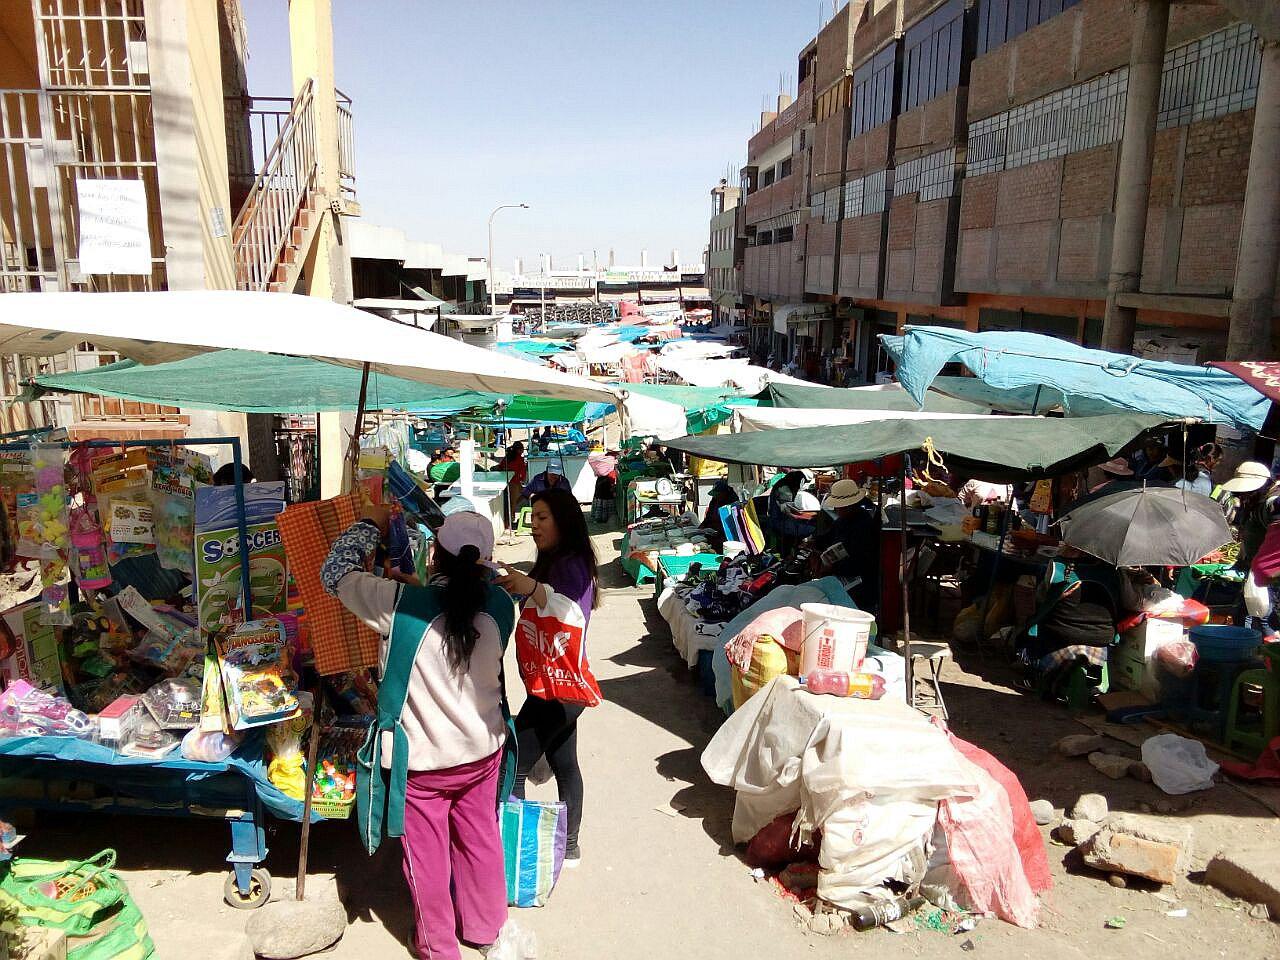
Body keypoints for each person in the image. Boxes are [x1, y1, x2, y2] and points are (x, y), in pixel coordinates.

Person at [321, 509, 516, 960]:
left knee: (427, 859)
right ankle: (486, 929)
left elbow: (335, 572)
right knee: (480, 840)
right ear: (485, 562)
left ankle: (438, 946)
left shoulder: (398, 606)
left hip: (424, 765)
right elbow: (453, 608)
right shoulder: (503, 606)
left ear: (435, 556)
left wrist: (369, 524)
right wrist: (413, 591)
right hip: (483, 751)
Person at [495, 487, 600, 867]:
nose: (534, 525)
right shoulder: (553, 560)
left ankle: (517, 852)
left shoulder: (572, 563)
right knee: (564, 762)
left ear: (563, 521)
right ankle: (569, 848)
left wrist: (533, 588)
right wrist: (516, 582)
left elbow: (567, 609)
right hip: (554, 683)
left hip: (560, 687)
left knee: (514, 762)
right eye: (532, 518)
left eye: (542, 518)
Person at [810, 479, 880, 610]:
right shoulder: (842, 521)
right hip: (843, 575)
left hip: (860, 585)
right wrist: (812, 544)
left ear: (849, 506)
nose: (836, 509)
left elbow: (862, 562)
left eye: (839, 506)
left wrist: (832, 568)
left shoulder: (864, 525)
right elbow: (825, 538)